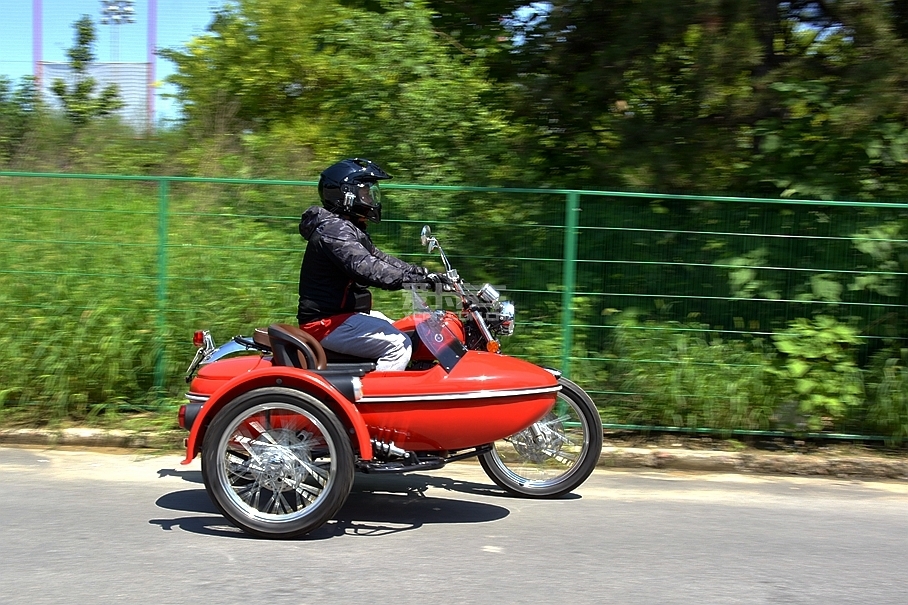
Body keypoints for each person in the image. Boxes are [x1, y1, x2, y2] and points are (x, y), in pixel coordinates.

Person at [296, 158, 446, 371]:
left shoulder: (343, 227)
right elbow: (366, 268)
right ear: (347, 195)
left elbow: (379, 257)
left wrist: (422, 273)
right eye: (366, 192)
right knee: (399, 346)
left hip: (341, 316)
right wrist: (415, 280)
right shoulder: (333, 231)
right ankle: (375, 401)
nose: (371, 198)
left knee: (402, 327)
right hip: (326, 323)